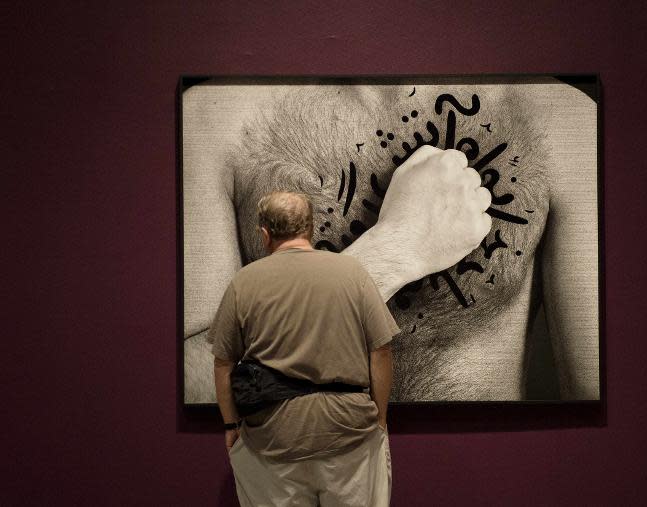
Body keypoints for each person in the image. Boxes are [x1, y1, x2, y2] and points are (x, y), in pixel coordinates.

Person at [184, 79, 599, 403]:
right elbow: (191, 396)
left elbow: (608, 424)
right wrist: (393, 250)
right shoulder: (217, 119)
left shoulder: (559, 120)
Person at [208, 190, 433, 506]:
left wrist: (231, 425)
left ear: (264, 233)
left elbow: (223, 363)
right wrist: (379, 419)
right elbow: (381, 350)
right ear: (310, 228)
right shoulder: (352, 272)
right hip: (350, 432)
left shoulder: (244, 283)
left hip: (273, 438)